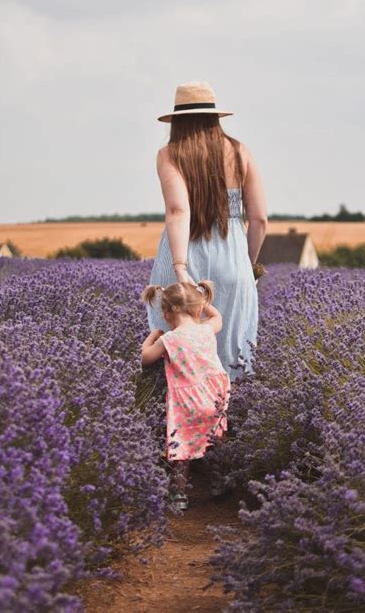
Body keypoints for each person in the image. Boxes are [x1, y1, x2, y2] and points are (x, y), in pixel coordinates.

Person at [146, 80, 268, 382]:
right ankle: (230, 425)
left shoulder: (170, 154)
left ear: (178, 121)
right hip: (234, 262)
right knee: (233, 351)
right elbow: (260, 218)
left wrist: (180, 267)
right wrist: (248, 265)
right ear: (214, 117)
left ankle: (175, 421)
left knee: (175, 352)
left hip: (185, 259)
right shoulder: (241, 152)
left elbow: (178, 211)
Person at [141, 279, 231, 510]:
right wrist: (204, 299)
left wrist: (152, 335)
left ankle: (179, 495)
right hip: (216, 396)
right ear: (198, 308)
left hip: (186, 402)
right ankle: (219, 482)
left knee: (182, 447)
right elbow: (218, 318)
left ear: (167, 312)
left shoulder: (168, 339)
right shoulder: (206, 328)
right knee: (215, 440)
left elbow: (146, 358)